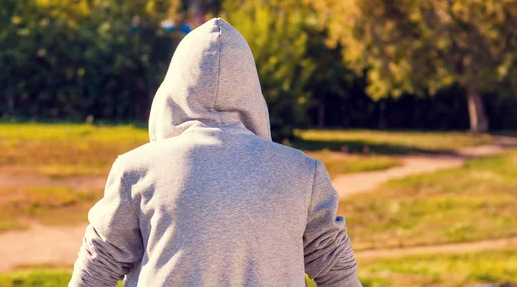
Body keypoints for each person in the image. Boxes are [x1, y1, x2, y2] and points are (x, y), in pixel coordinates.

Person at [69, 18, 361, 287]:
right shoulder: (303, 173)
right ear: (251, 92)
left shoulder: (136, 170)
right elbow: (338, 272)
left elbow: (97, 268)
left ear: (172, 89)